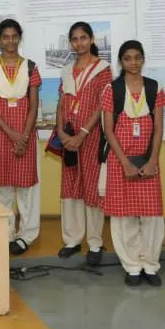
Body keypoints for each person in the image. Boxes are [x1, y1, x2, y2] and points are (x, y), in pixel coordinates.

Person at [101, 40, 165, 287]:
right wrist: (125, 163)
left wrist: (152, 161)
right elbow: (108, 130)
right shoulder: (112, 90)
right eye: (128, 58)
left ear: (143, 59)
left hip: (148, 160)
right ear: (121, 61)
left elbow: (158, 129)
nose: (133, 63)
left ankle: (150, 264)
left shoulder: (154, 88)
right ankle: (132, 266)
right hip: (121, 161)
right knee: (124, 216)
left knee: (151, 217)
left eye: (138, 57)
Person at [0, 19, 42, 255]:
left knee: (27, 189)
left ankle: (27, 235)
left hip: (25, 134)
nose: (10, 41)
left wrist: (23, 136)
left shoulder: (30, 67)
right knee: (2, 188)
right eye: (5, 37)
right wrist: (12, 134)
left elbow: (33, 105)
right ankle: (5, 233)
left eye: (14, 36)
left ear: (19, 38)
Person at [56, 21, 113, 264]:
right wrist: (61, 131)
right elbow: (62, 102)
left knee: (91, 186)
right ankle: (72, 240)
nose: (79, 43)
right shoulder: (67, 70)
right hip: (68, 136)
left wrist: (83, 133)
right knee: (70, 187)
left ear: (91, 40)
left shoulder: (103, 69)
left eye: (83, 38)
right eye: (75, 39)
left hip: (91, 136)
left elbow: (102, 105)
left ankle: (95, 242)